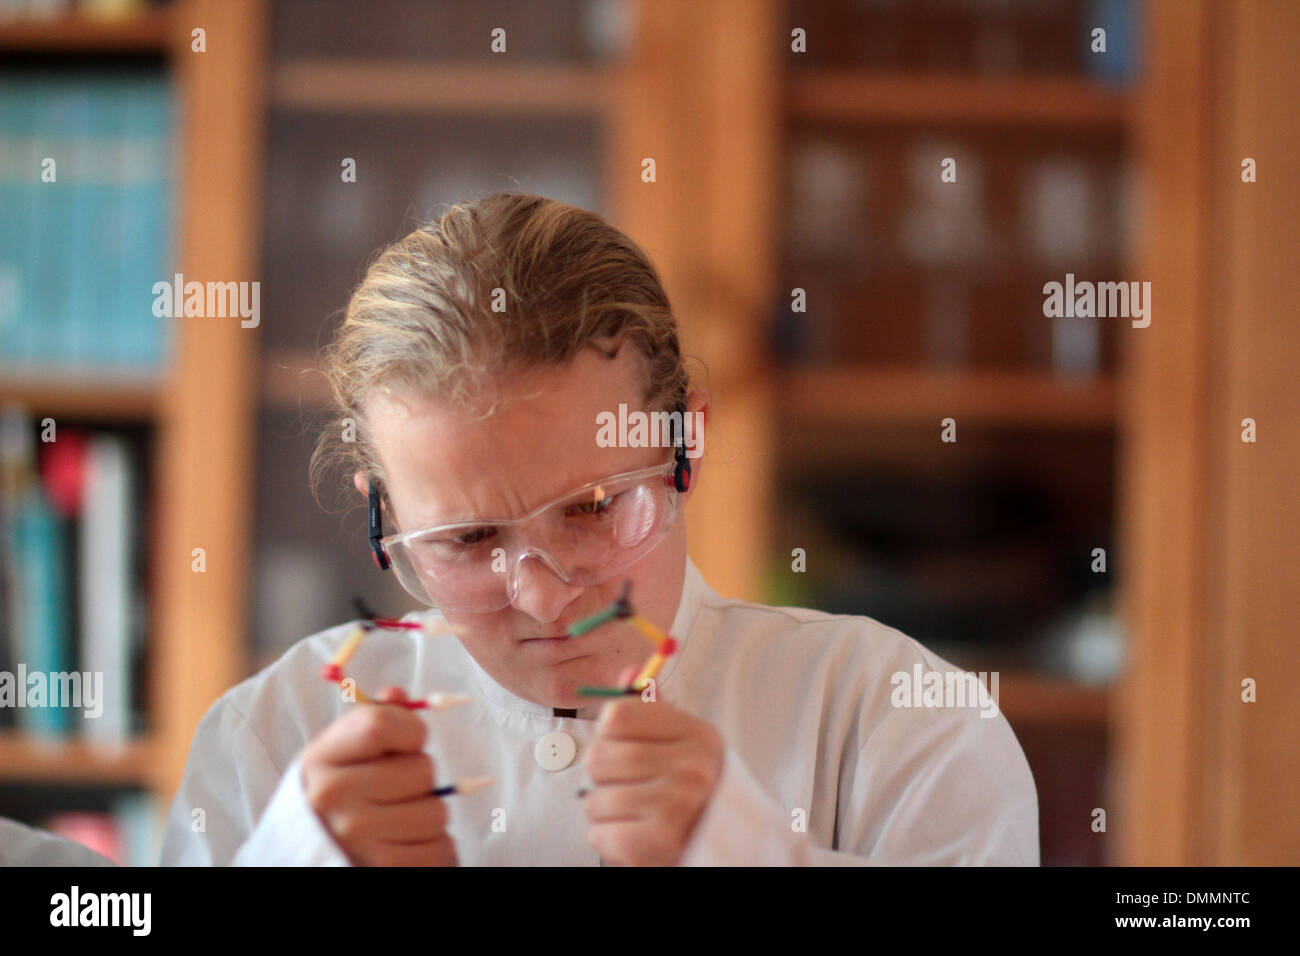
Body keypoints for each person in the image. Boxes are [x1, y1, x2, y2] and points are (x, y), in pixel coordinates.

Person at [160, 193, 1038, 866]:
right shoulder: (274, 737)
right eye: (468, 542)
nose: (543, 595)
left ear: (685, 447)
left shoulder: (895, 721)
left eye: (591, 508)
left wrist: (754, 853)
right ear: (380, 514)